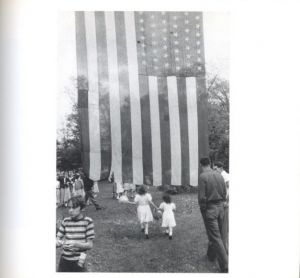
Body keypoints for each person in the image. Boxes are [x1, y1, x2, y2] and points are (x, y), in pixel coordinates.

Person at [198, 157, 228, 273]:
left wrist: (203, 210)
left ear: (201, 165)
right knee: (218, 234)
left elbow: (202, 198)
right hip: (221, 208)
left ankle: (225, 266)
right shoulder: (219, 175)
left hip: (210, 209)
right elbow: (225, 193)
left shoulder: (203, 176)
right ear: (210, 163)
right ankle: (211, 255)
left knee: (215, 237)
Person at [56, 196, 95, 272]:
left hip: (79, 260)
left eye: (74, 208)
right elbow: (58, 239)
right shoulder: (66, 221)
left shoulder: (87, 222)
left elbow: (90, 245)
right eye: (69, 207)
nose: (70, 210)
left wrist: (76, 244)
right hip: (64, 260)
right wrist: (58, 243)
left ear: (82, 208)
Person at [214, 161, 229, 254]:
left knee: (224, 228)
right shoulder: (221, 175)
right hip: (221, 203)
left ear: (220, 168)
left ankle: (225, 249)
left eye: (215, 169)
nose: (214, 171)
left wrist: (227, 201)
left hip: (225, 204)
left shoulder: (224, 175)